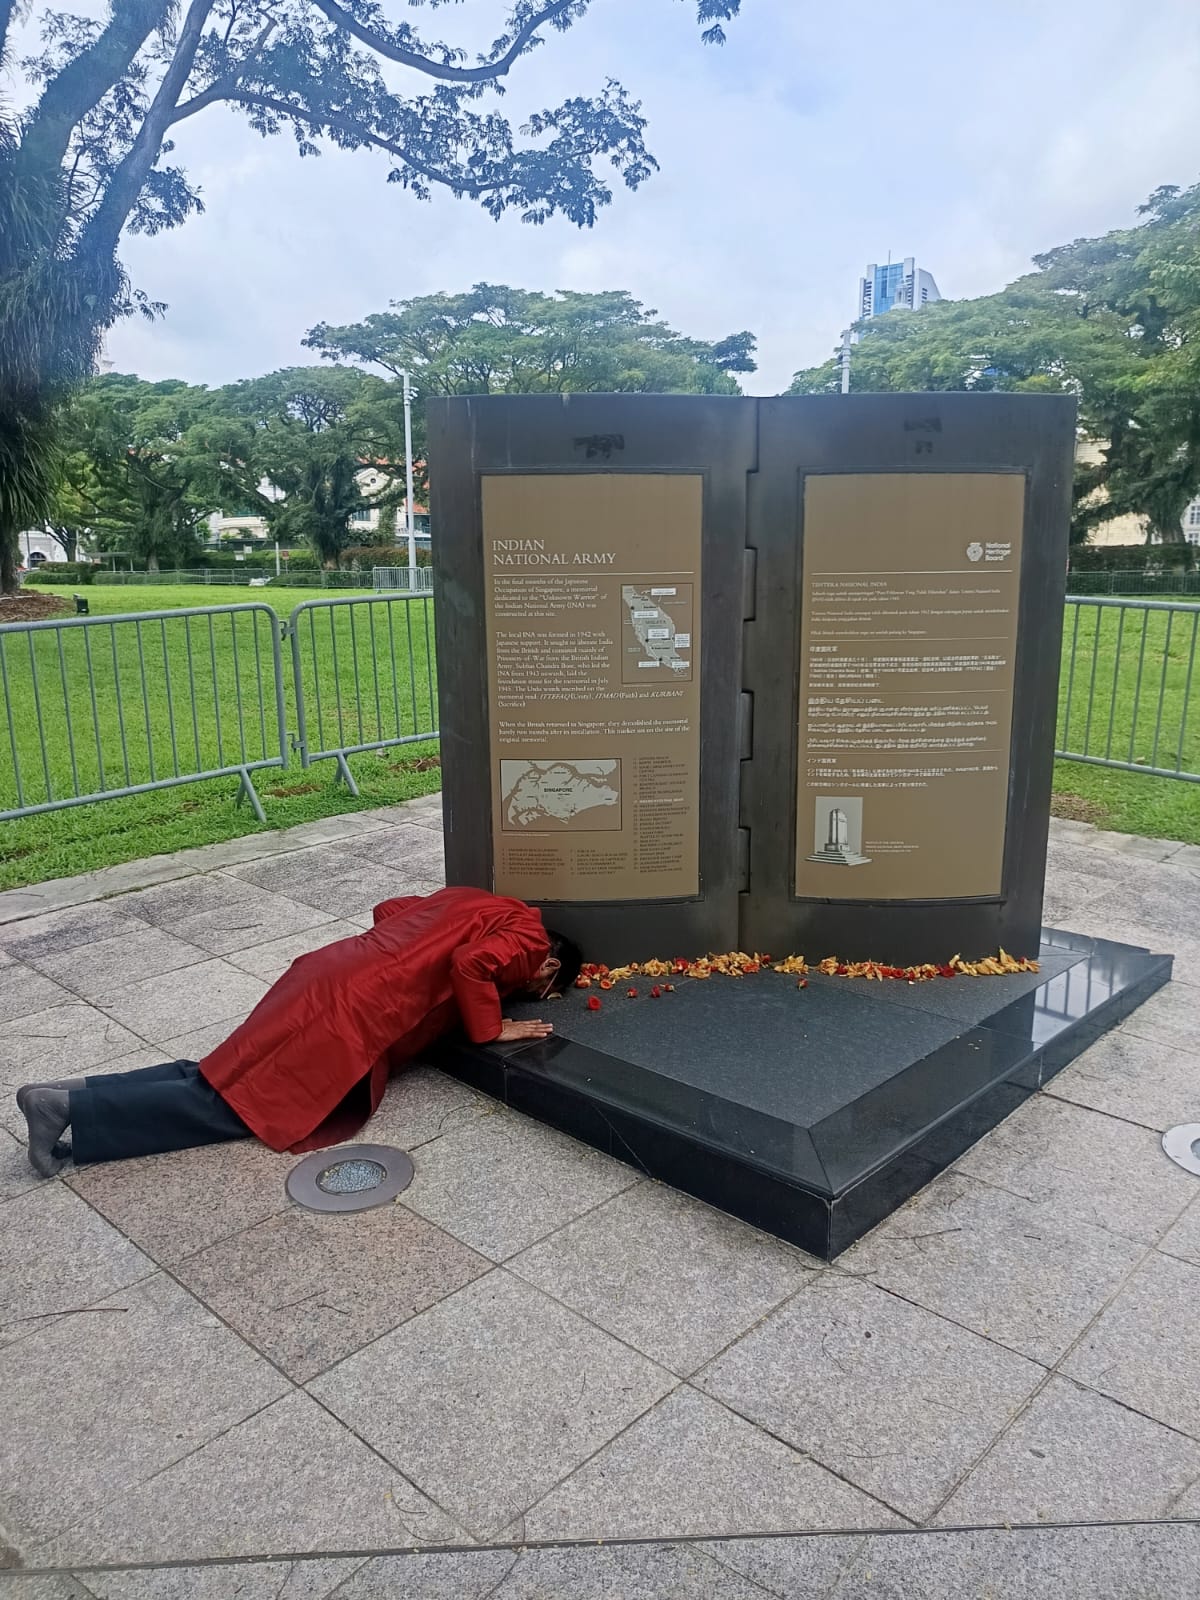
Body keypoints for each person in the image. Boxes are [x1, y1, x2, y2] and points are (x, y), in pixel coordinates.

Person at [17, 886, 582, 1178]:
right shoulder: (531, 938)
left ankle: (76, 1092)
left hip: (327, 972)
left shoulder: (479, 900)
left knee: (226, 1071)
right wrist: (491, 1028)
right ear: (551, 965)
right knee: (247, 1103)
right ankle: (71, 1111)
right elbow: (471, 965)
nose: (526, 989)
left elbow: (391, 908)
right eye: (539, 989)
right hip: (354, 1010)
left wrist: (401, 961)